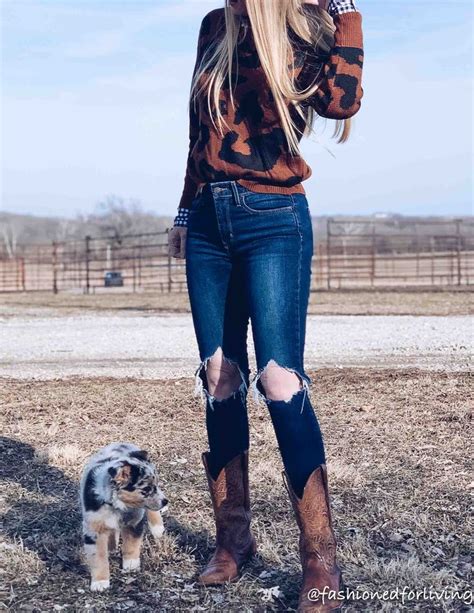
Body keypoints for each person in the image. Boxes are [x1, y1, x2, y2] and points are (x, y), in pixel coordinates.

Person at [168, 1, 364, 610]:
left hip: (273, 216)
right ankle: (233, 542)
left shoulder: (306, 23)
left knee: (278, 380)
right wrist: (184, 208)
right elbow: (201, 129)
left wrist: (349, 16)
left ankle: (319, 560)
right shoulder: (212, 27)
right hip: (208, 220)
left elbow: (341, 102)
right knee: (219, 377)